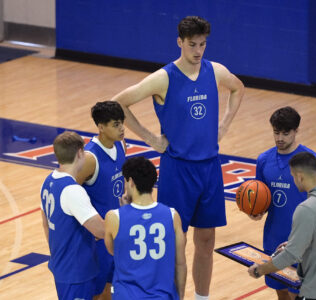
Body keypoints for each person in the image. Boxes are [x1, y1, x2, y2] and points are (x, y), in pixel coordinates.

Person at [113, 16, 244, 299]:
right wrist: (149, 137)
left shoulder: (216, 71)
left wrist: (224, 125)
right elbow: (118, 103)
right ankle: (170, 295)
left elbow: (238, 88)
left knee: (206, 240)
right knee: (175, 242)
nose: (198, 51)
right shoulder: (164, 77)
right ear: (180, 43)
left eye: (203, 44)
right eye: (193, 44)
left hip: (209, 168)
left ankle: (202, 296)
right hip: (178, 170)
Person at [248, 152, 316, 300]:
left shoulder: (307, 209)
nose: (293, 180)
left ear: (300, 177)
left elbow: (290, 256)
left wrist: (260, 269)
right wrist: (299, 242)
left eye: (292, 176)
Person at [252, 106, 316, 299]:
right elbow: (262, 198)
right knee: (281, 292)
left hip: (304, 240)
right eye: (276, 133)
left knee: (301, 294)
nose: (280, 138)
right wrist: (257, 210)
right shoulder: (263, 160)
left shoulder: (312, 161)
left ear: (296, 131)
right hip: (274, 238)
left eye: (286, 133)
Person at [104, 156, 187, 299]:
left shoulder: (113, 217)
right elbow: (180, 264)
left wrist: (125, 210)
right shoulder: (173, 216)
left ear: (130, 182)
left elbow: (113, 250)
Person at [40, 131, 105, 300]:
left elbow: (45, 222)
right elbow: (100, 231)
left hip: (62, 266)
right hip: (77, 272)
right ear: (80, 153)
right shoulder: (73, 190)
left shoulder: (48, 181)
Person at [76, 100, 126, 300]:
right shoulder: (90, 158)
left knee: (110, 291)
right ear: (101, 127)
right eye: (115, 124)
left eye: (122, 122)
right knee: (95, 295)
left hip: (117, 233)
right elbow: (70, 194)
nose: (122, 128)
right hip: (97, 241)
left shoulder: (121, 144)